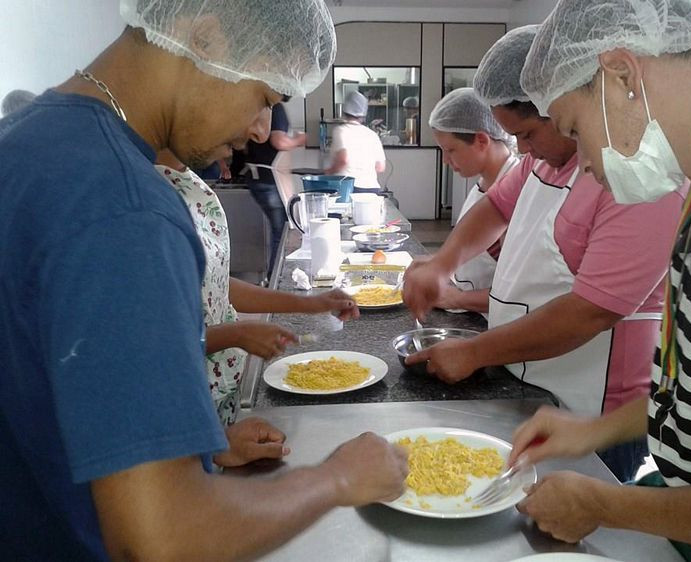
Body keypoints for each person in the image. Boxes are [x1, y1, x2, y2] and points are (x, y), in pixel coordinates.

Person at [0, 2, 408, 560]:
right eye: (265, 97)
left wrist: (196, 457)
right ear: (208, 38)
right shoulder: (128, 208)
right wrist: (336, 478)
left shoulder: (24, 141)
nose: (262, 129)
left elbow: (60, 392)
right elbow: (162, 538)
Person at [507, 0, 691, 558]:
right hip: (684, 506)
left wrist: (604, 506)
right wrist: (591, 431)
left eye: (574, 128)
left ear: (622, 76)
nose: (585, 165)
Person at [402, 24, 685, 482]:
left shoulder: (640, 176)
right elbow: (498, 204)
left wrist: (475, 352)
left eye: (529, 133)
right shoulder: (545, 153)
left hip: (594, 407)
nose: (521, 150)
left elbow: (591, 311)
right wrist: (442, 264)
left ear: (563, 101)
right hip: (531, 377)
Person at [155, 149, 360, 425]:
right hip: (179, 401)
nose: (256, 134)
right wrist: (236, 334)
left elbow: (213, 284)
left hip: (219, 390)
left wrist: (311, 303)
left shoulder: (187, 179)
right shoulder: (142, 198)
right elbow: (149, 341)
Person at [427, 87, 518, 315]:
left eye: (451, 150)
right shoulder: (483, 184)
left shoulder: (518, 190)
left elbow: (523, 292)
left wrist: (458, 299)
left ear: (481, 140)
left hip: (499, 325)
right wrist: (436, 265)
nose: (446, 161)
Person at [243, 102, 307, 271]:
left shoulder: (254, 107)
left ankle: (273, 277)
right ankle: (277, 279)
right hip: (271, 180)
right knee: (283, 233)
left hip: (256, 178)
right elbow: (279, 142)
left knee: (277, 232)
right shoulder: (275, 107)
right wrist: (300, 139)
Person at [327, 90, 387, 192]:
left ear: (345, 110)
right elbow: (381, 167)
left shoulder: (341, 131)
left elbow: (343, 160)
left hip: (348, 188)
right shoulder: (372, 134)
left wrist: (328, 172)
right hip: (372, 189)